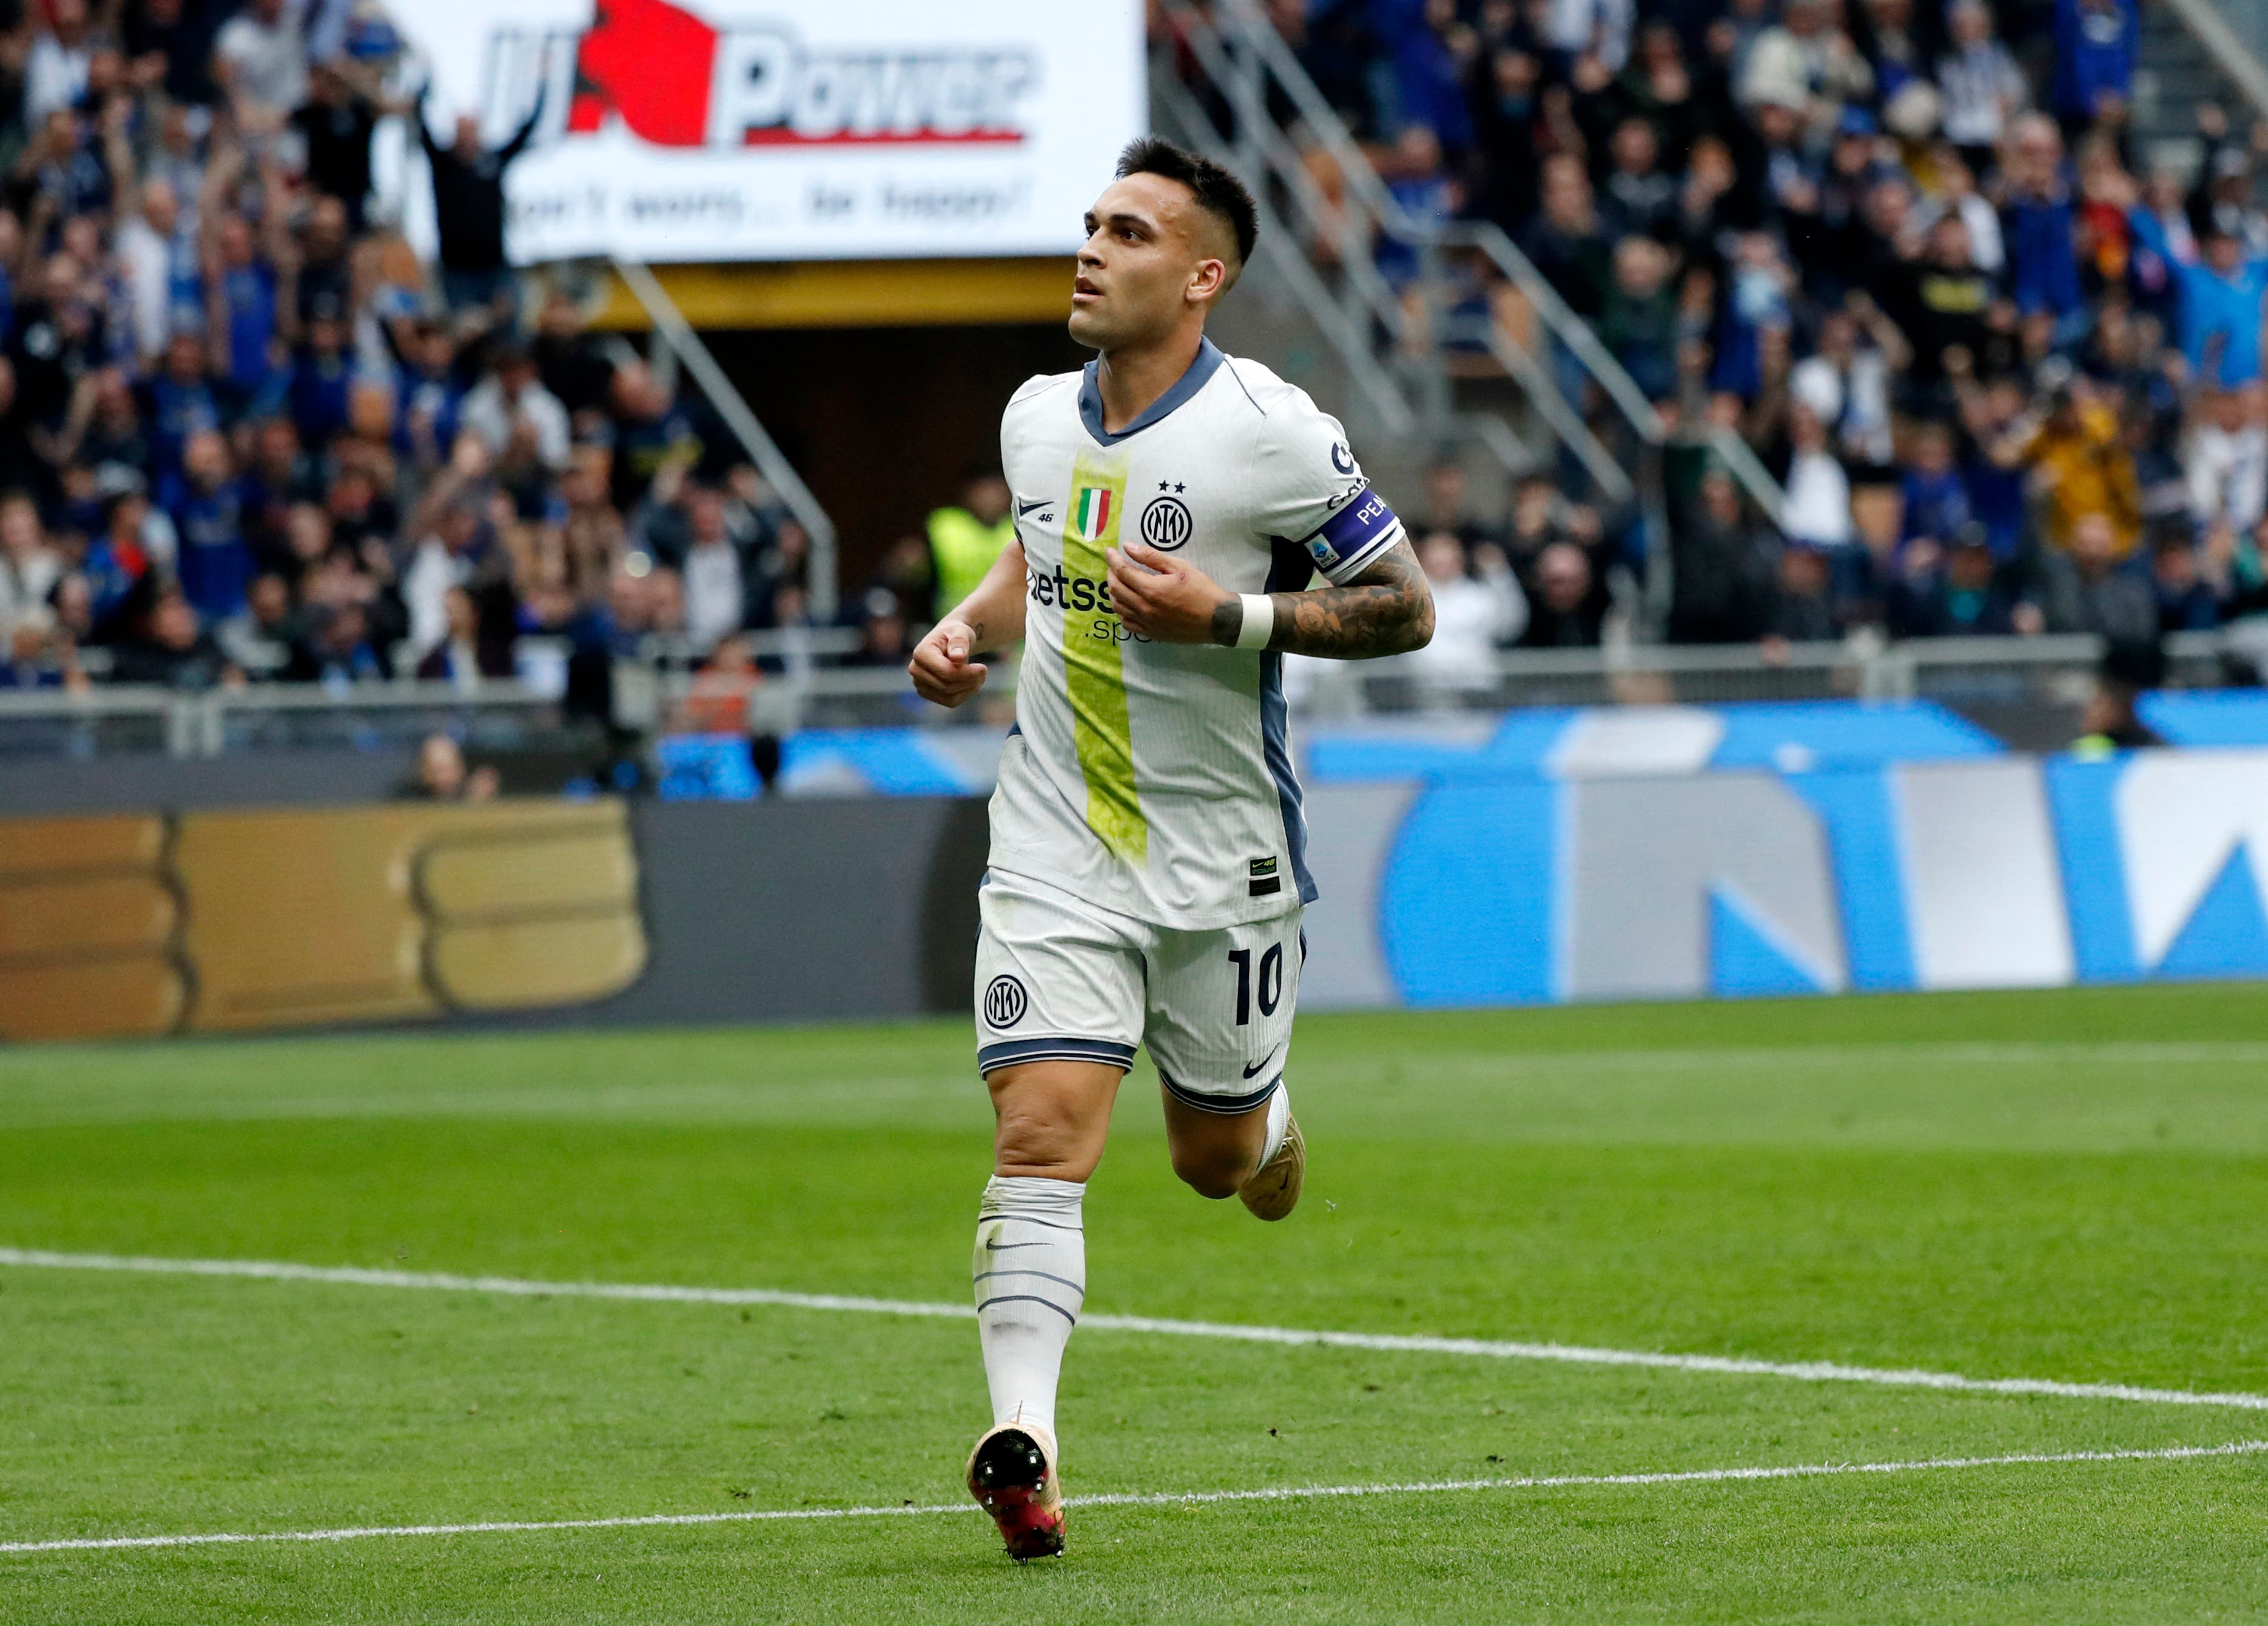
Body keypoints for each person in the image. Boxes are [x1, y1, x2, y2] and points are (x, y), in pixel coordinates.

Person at [905, 138, 1433, 1562]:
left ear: (1202, 276)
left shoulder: (1270, 428)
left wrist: (1233, 619)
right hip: (1053, 843)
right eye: (1090, 224)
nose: (1092, 248)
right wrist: (969, 627)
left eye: (1129, 232)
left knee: (1211, 1165)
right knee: (1040, 1134)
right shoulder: (1033, 416)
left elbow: (1405, 608)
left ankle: (1266, 1125)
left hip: (1225, 862)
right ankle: (1026, 1443)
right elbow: (1037, 551)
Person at [926, 467, 1016, 623]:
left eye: (996, 489)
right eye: (983, 489)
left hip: (1010, 636)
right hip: (953, 629)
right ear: (968, 492)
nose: (990, 498)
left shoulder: (1018, 529)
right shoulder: (945, 527)